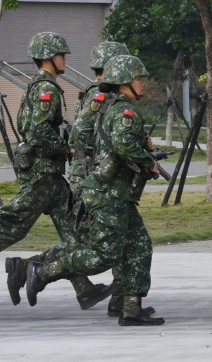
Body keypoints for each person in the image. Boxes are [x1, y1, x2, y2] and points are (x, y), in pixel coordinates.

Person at [26, 55, 165, 326]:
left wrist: (142, 146)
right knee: (105, 254)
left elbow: (92, 138)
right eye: (139, 78)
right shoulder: (126, 112)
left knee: (139, 246)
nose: (143, 83)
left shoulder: (107, 108)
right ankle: (43, 272)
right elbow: (124, 145)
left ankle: (131, 309)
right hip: (109, 193)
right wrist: (150, 163)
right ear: (125, 82)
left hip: (113, 192)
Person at [1, 32, 111, 309]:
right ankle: (22, 270)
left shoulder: (44, 85)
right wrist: (66, 148)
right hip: (42, 175)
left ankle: (83, 288)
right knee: (13, 225)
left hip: (50, 176)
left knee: (74, 234)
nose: (65, 59)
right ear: (49, 58)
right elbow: (38, 131)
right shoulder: (44, 88)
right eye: (62, 55)